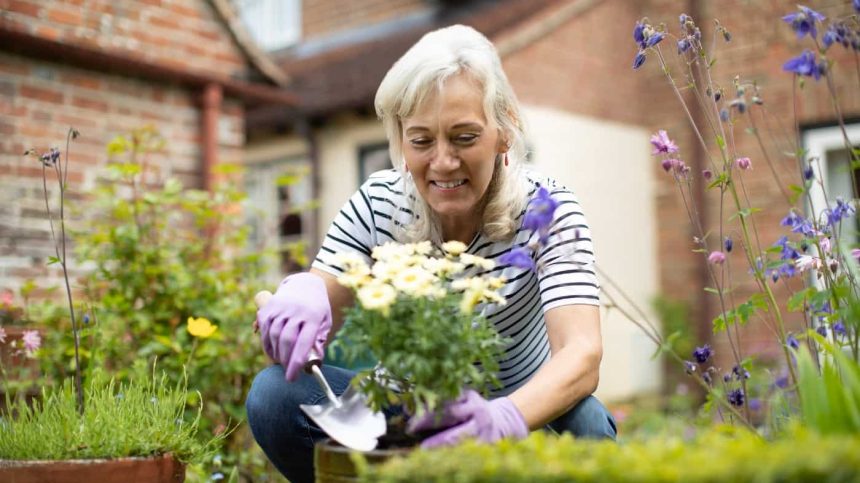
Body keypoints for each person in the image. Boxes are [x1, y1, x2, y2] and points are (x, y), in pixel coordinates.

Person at [246, 24, 616, 483]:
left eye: (464, 138)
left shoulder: (547, 210)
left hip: (521, 410)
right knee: (274, 396)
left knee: (587, 424)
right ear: (400, 141)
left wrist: (503, 420)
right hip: (407, 413)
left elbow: (581, 354)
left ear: (504, 132)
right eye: (421, 141)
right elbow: (327, 293)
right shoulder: (379, 202)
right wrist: (304, 293)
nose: (442, 162)